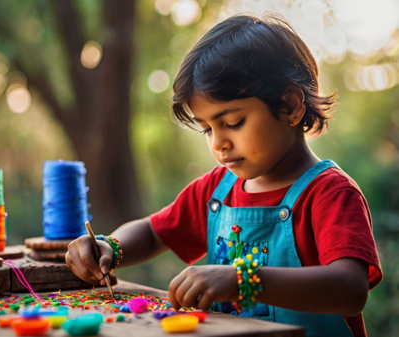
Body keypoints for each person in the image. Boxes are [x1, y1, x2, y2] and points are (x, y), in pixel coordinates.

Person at [65, 14, 382, 337]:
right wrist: (110, 247)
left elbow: (350, 289)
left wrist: (243, 280)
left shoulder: (330, 193)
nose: (219, 143)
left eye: (232, 122)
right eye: (207, 129)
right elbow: (152, 233)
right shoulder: (216, 191)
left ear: (290, 106)